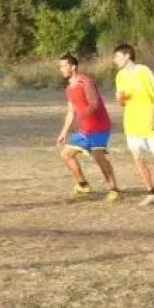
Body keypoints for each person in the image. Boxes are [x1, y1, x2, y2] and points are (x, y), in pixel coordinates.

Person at [113, 43, 154, 207]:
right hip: (132, 123)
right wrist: (120, 98)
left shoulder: (144, 72)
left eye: (117, 56)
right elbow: (122, 103)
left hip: (151, 122)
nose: (114, 60)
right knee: (137, 156)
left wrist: (153, 119)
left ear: (127, 55)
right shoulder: (120, 76)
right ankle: (150, 192)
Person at [56, 54, 119, 201]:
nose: (61, 69)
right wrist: (63, 132)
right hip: (84, 129)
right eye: (60, 66)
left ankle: (114, 189)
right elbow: (71, 111)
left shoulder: (85, 81)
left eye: (64, 66)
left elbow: (94, 103)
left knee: (99, 158)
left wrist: (82, 115)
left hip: (98, 126)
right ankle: (83, 185)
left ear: (73, 67)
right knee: (66, 154)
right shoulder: (69, 88)